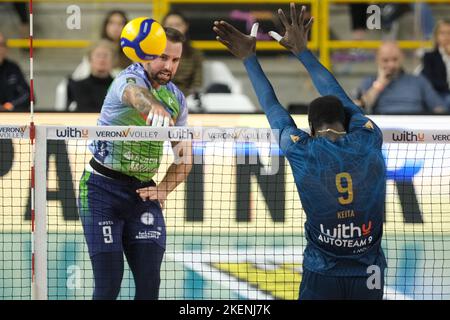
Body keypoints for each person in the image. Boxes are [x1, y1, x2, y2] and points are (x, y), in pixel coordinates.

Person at [213, 3, 386, 300]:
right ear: (346, 119)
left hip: (322, 271)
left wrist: (249, 58)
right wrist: (303, 52)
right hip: (369, 271)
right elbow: (340, 96)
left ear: (311, 127)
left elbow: (272, 108)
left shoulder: (301, 150)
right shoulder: (369, 137)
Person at [78, 27, 192, 300]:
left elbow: (184, 158)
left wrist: (163, 189)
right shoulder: (127, 79)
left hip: (142, 194)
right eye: (163, 57)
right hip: (100, 191)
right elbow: (135, 94)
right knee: (109, 286)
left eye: (175, 60)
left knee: (149, 284)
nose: (169, 66)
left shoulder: (176, 99)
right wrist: (152, 107)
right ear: (146, 54)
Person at [356, 41, 445, 115]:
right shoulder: (369, 81)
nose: (391, 65)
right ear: (377, 60)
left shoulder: (419, 81)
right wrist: (380, 83)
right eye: (385, 60)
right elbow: (360, 107)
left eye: (395, 59)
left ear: (402, 57)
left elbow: (439, 108)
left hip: (415, 129)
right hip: (383, 128)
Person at [72, 10, 132, 80]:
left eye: (120, 23)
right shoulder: (94, 50)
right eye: (112, 23)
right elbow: (79, 78)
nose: (116, 27)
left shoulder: (131, 53)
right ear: (105, 26)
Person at [162, 11, 204, 97]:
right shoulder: (154, 52)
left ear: (185, 26)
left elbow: (197, 83)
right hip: (160, 95)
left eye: (178, 25)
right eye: (170, 25)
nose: (174, 29)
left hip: (186, 97)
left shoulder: (195, 54)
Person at [66, 40, 114, 112]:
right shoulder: (76, 86)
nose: (102, 59)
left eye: (105, 55)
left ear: (113, 60)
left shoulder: (120, 87)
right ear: (89, 60)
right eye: (98, 55)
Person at [421, 19, 450, 109]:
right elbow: (430, 82)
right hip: (439, 95)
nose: (446, 37)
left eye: (449, 33)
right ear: (436, 37)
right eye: (442, 33)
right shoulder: (429, 57)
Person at [0, 32, 29, 112]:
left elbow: (28, 95)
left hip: (11, 116)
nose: (0, 48)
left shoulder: (13, 68)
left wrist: (10, 105)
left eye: (2, 45)